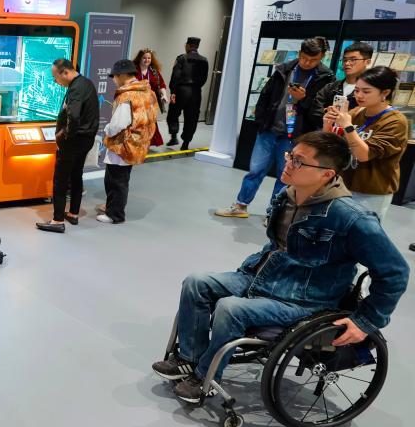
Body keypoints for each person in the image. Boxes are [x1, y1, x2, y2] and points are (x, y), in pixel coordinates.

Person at [153, 131, 409, 403]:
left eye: (299, 161)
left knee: (230, 308)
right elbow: (277, 245)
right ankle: (190, 360)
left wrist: (365, 321)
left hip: (304, 300)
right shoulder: (287, 196)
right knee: (196, 282)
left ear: (327, 174)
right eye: (291, 156)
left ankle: (205, 377)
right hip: (263, 277)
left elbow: (395, 272)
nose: (288, 163)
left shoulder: (351, 218)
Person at [215, 36, 333, 218]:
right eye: (304, 57)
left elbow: (319, 113)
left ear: (322, 57)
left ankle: (274, 215)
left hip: (295, 136)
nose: (307, 63)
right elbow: (265, 95)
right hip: (269, 129)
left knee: (285, 176)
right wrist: (261, 120)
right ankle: (240, 205)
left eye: (313, 60)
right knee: (255, 170)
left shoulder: (325, 78)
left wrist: (303, 100)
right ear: (299, 53)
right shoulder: (284, 69)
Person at [324, 65, 409, 219]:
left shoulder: (396, 121)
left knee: (360, 231)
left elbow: (364, 155)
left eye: (366, 91)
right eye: (356, 90)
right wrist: (328, 125)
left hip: (371, 192)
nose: (359, 95)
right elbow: (331, 146)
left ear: (385, 92)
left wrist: (348, 126)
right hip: (342, 185)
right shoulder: (356, 112)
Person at [36, 58, 99, 233]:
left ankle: (57, 220)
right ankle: (73, 213)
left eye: (55, 77)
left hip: (73, 142)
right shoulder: (86, 83)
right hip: (86, 140)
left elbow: (74, 116)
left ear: (65, 72)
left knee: (60, 180)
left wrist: (63, 135)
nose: (55, 81)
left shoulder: (75, 89)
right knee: (76, 175)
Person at [95, 59, 157, 224]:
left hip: (123, 144)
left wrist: (107, 129)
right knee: (121, 178)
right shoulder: (147, 91)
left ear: (122, 75)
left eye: (114, 76)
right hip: (138, 143)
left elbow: (118, 124)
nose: (114, 80)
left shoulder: (127, 95)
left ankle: (115, 214)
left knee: (115, 180)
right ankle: (112, 207)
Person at [310, 41, 373, 121]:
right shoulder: (331, 87)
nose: (347, 63)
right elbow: (315, 110)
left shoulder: (372, 90)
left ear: (367, 62)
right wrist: (327, 114)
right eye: (345, 59)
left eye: (353, 59)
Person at [167, 37, 209, 149]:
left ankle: (174, 136)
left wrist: (173, 91)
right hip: (196, 92)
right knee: (192, 118)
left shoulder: (181, 58)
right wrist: (196, 87)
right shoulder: (204, 60)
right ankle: (186, 143)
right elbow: (204, 78)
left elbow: (175, 76)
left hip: (181, 91)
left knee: (173, 113)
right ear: (197, 46)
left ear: (188, 46)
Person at [133, 48, 168, 147]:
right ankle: (137, 142)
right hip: (137, 102)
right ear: (140, 58)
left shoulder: (154, 72)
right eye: (144, 58)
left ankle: (147, 143)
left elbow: (161, 84)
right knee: (138, 123)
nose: (147, 60)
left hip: (150, 103)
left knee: (150, 123)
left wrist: (164, 95)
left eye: (149, 58)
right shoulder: (134, 70)